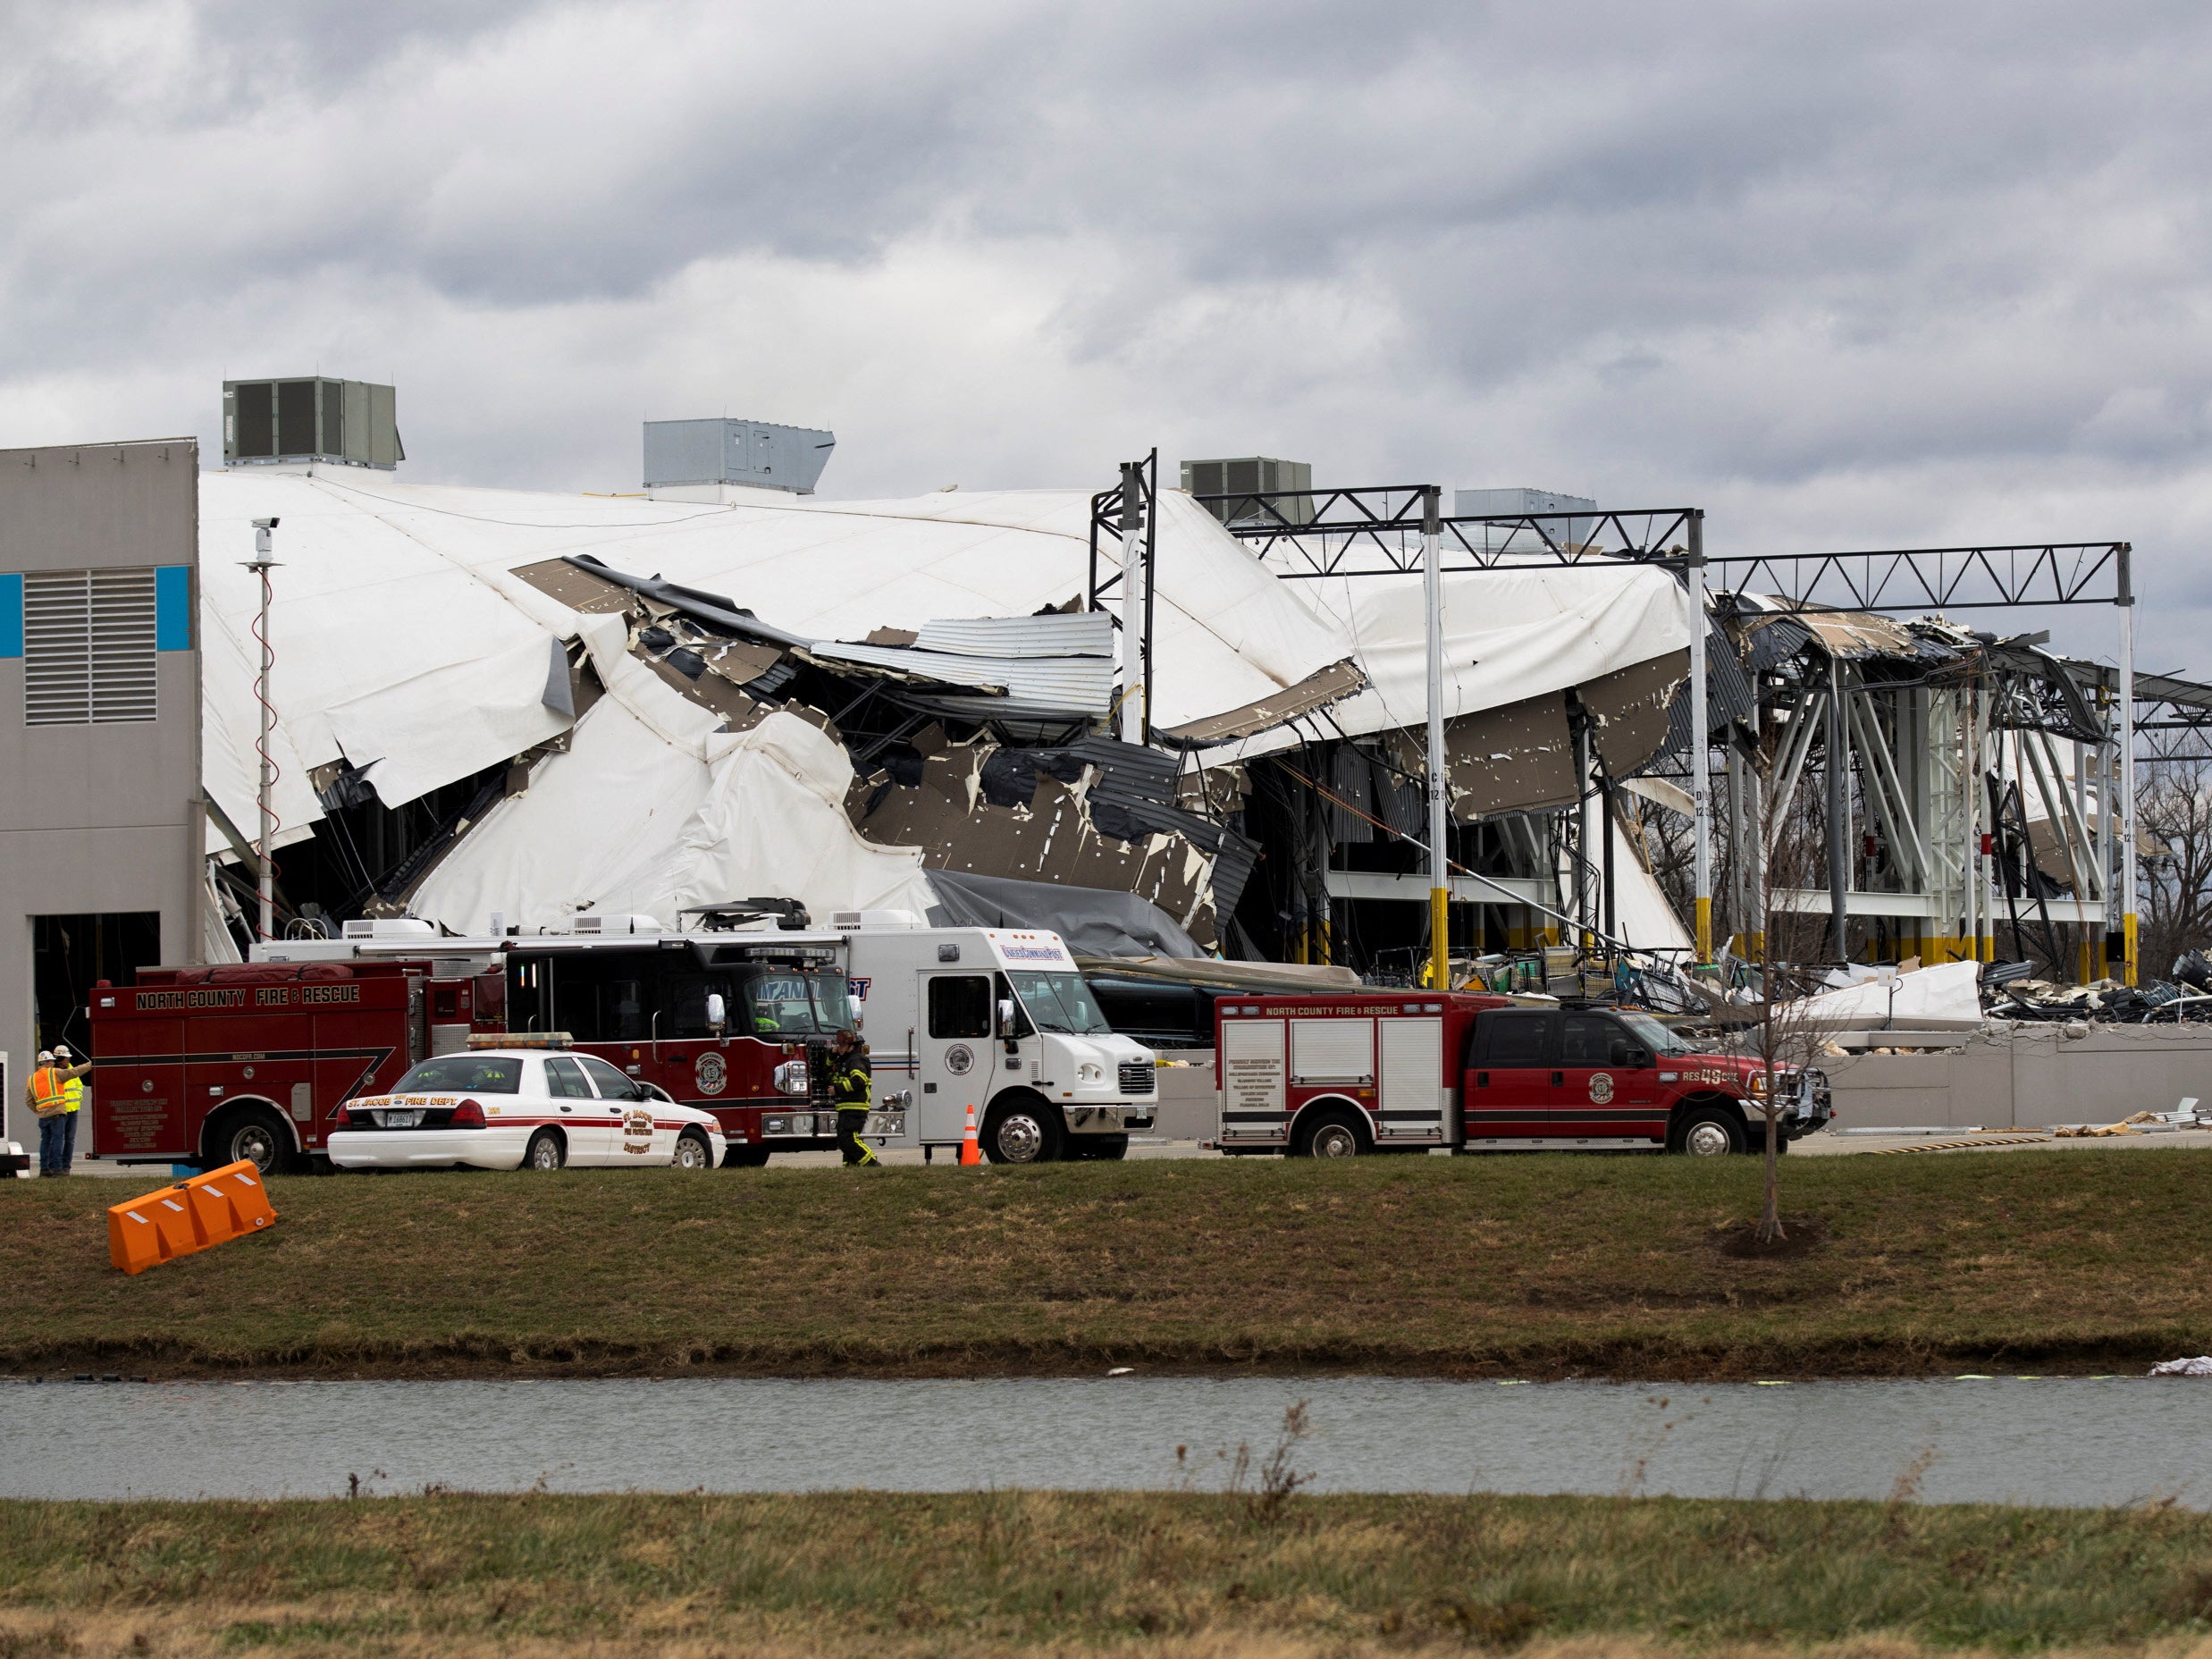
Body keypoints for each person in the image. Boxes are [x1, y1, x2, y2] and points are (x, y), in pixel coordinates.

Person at [26, 1048, 88, 1177]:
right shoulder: (55, 1073)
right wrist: (90, 1064)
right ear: (48, 1062)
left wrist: (38, 1111)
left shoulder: (32, 1078)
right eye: (52, 1061)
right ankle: (58, 1169)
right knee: (58, 1140)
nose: (54, 1063)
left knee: (45, 1142)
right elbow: (75, 1072)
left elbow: (28, 1100)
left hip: (43, 1115)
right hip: (56, 1114)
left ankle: (44, 1170)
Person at [828, 1028, 878, 1167]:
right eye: (839, 1045)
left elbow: (859, 1081)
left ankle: (872, 1164)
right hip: (846, 1107)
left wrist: (837, 1089)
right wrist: (832, 1054)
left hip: (856, 1107)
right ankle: (851, 1168)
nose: (840, 1048)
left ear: (852, 1046)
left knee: (848, 1140)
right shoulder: (844, 1060)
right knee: (844, 1140)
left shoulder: (856, 1060)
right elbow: (825, 1069)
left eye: (843, 1045)